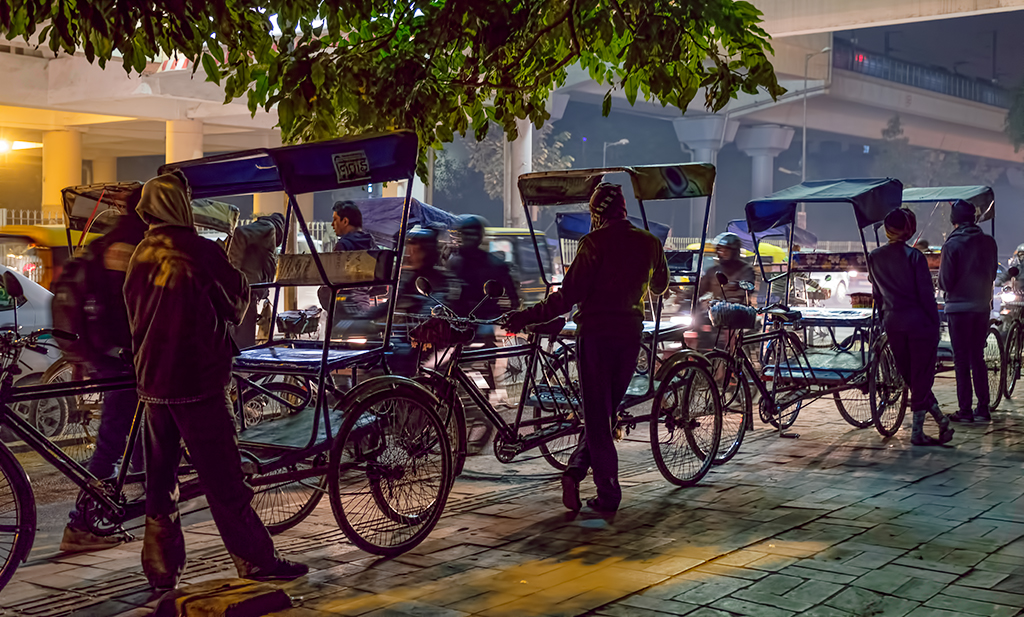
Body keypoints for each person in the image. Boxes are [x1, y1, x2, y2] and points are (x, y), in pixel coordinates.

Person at [124, 173, 307, 591]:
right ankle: (257, 560)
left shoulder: (141, 253)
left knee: (161, 478)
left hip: (152, 380)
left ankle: (160, 566)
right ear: (180, 205)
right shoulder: (199, 251)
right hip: (196, 378)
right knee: (224, 478)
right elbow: (237, 303)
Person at [505, 182, 669, 513]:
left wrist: (525, 316)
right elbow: (660, 285)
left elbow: (568, 296)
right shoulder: (650, 242)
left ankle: (607, 490)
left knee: (597, 415)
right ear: (623, 210)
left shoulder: (593, 243)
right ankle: (576, 469)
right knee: (606, 413)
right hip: (629, 336)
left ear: (597, 214)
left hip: (595, 336)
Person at [60, 188, 148, 552]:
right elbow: (128, 303)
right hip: (125, 355)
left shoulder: (105, 239)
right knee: (113, 440)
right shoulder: (134, 241)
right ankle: (83, 522)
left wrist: (84, 355)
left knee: (137, 431)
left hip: (106, 352)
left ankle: (150, 503)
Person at [870, 208, 953, 445]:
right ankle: (917, 432)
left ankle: (940, 420)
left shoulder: (874, 257)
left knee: (913, 378)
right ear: (908, 229)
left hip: (893, 323)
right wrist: (935, 325)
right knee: (921, 377)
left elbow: (877, 294)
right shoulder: (915, 257)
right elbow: (926, 296)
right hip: (920, 325)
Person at [939, 199, 999, 423]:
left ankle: (965, 410)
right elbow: (993, 274)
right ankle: (983, 409)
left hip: (958, 310)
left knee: (961, 360)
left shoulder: (951, 245)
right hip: (981, 307)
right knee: (978, 358)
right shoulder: (988, 242)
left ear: (954, 220)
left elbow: (945, 282)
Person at [228, 213, 285, 349]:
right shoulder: (269, 227)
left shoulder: (265, 235)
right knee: (244, 345)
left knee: (241, 341)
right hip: (245, 291)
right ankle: (242, 369)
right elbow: (240, 233)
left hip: (247, 292)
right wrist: (233, 270)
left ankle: (240, 368)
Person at [448, 215, 520, 319]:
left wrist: (511, 313)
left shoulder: (494, 264)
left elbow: (512, 296)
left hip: (485, 317)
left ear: (479, 236)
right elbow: (443, 291)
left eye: (473, 234)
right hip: (456, 319)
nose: (469, 238)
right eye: (467, 234)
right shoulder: (453, 262)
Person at [694, 232, 755, 349]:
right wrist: (687, 295)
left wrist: (738, 286)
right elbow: (700, 289)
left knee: (729, 340)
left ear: (735, 251)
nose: (723, 253)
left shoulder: (745, 270)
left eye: (727, 250)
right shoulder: (713, 271)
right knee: (694, 324)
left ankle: (730, 359)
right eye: (720, 250)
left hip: (737, 314)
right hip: (716, 313)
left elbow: (748, 287)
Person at [319, 201, 377, 315]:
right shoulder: (372, 243)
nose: (332, 224)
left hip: (343, 304)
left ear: (345, 221)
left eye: (335, 219)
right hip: (365, 300)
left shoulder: (343, 245)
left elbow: (334, 278)